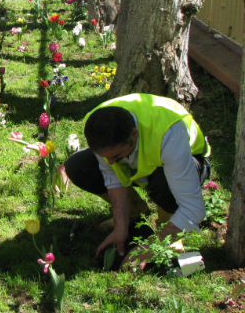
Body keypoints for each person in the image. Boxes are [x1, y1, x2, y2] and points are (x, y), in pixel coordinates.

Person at [63, 93, 211, 270]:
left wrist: (150, 247)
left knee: (163, 183)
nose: (110, 162)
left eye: (115, 156)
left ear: (134, 134)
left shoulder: (169, 133)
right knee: (78, 165)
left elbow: (193, 209)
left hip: (186, 161)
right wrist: (120, 226)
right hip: (143, 158)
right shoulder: (97, 122)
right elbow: (112, 176)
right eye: (106, 157)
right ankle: (133, 213)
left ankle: (169, 226)